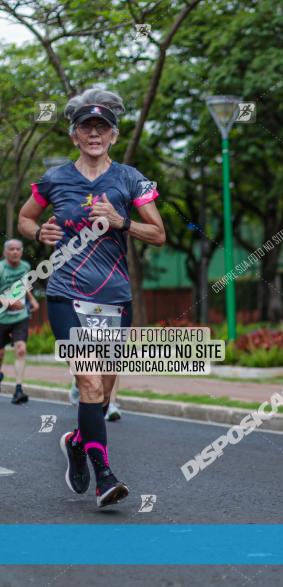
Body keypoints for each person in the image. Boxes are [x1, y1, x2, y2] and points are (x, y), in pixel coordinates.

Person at [20, 88, 166, 508]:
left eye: (102, 127)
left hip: (115, 298)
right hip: (66, 293)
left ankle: (76, 442)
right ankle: (104, 474)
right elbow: (26, 218)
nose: (94, 133)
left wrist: (123, 222)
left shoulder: (131, 179)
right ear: (75, 136)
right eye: (87, 127)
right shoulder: (55, 179)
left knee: (100, 390)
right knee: (87, 379)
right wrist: (38, 233)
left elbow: (158, 233)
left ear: (114, 135)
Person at [0, 239, 40, 404]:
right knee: (0, 353)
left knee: (21, 350)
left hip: (20, 316)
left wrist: (32, 299)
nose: (15, 252)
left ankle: (18, 389)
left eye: (18, 249)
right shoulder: (1, 269)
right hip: (1, 317)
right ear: (5, 252)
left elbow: (24, 286)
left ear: (22, 251)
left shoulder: (25, 267)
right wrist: (8, 302)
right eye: (11, 249)